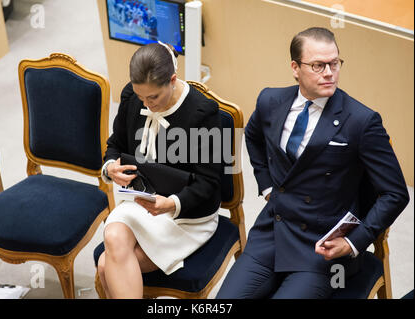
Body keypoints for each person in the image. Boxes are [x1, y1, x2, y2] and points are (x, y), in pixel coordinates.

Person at [216, 27, 409, 299]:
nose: (329, 73)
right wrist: (267, 185)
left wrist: (354, 242)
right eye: (318, 65)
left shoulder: (362, 121)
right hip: (273, 230)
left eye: (334, 63)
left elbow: (395, 194)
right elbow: (252, 135)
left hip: (323, 247)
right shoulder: (270, 100)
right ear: (295, 68)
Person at [97, 42, 221, 299]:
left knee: (104, 266)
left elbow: (210, 184)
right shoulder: (132, 97)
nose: (147, 104)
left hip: (186, 217)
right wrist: (111, 169)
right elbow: (115, 145)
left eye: (153, 97)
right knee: (113, 235)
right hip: (140, 204)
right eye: (141, 96)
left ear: (172, 80)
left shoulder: (204, 113)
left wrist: (172, 204)